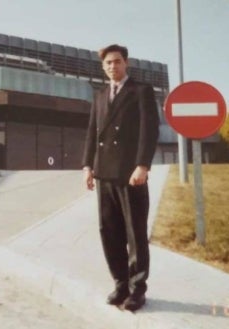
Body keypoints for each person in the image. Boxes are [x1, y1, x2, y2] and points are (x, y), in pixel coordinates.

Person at [81, 44, 159, 312]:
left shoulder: (141, 91)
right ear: (103, 68)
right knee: (109, 231)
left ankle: (138, 289)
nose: (112, 66)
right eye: (108, 64)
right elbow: (92, 132)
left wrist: (143, 165)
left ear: (126, 63)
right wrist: (87, 167)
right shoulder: (100, 95)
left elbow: (149, 131)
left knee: (135, 233)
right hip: (103, 173)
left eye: (117, 62)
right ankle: (120, 284)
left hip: (130, 175)